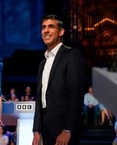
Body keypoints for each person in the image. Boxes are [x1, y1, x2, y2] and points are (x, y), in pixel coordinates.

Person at [32, 14, 85, 145]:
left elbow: (75, 95)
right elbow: (40, 98)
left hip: (64, 129)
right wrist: (37, 130)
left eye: (51, 27)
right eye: (43, 27)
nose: (46, 30)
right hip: (45, 129)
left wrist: (67, 129)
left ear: (61, 32)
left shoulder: (71, 55)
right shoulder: (42, 62)